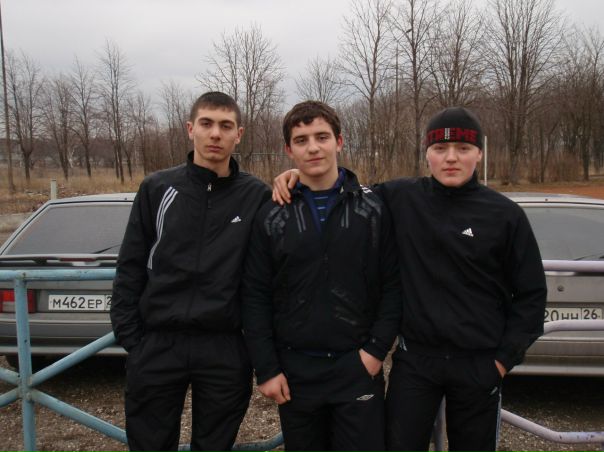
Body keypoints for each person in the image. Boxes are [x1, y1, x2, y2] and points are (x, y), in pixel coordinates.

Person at [273, 106, 547, 452]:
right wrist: (296, 175)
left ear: (479, 153)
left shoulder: (505, 215)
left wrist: (503, 361)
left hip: (479, 363)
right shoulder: (401, 196)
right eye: (440, 149)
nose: (451, 158)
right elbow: (342, 190)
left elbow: (532, 295)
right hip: (415, 363)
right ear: (427, 153)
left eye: (463, 148)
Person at [110, 91, 271, 452]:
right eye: (206, 123)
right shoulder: (158, 188)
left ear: (238, 134)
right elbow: (130, 265)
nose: (215, 133)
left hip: (224, 346)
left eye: (225, 126)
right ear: (190, 129)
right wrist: (133, 339)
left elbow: (267, 272)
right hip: (158, 343)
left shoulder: (255, 195)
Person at [241, 100, 401, 452]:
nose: (313, 147)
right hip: (296, 370)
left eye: (322, 137)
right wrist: (266, 368)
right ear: (289, 150)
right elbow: (254, 295)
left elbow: (392, 285)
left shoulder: (373, 209)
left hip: (356, 366)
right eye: (301, 140)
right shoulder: (271, 214)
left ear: (339, 141)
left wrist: (375, 352)